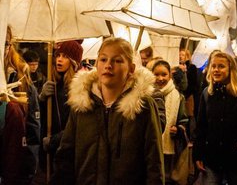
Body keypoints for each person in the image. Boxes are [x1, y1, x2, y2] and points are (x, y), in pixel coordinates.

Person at [50, 37, 164, 184]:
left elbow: (154, 163)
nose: (108, 65)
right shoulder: (83, 103)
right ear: (96, 63)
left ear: (131, 69)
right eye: (103, 59)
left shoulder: (142, 106)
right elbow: (65, 157)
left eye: (117, 61)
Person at [193, 51, 237, 185]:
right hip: (212, 158)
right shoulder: (207, 93)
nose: (216, 70)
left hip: (235, 159)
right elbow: (201, 127)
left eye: (221, 66)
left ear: (231, 69)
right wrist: (198, 153)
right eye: (213, 66)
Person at [4, 26, 41, 184]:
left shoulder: (22, 81)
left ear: (10, 45)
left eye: (4, 43)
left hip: (13, 170)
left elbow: (32, 131)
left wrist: (29, 170)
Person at [39, 40, 83, 170]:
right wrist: (41, 99)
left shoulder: (79, 88)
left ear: (73, 61)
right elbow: (44, 118)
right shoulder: (53, 82)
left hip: (69, 152)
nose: (59, 59)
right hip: (51, 151)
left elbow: (76, 125)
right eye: (58, 55)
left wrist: (54, 141)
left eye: (65, 57)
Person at [152, 59, 188, 184]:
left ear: (170, 75)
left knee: (166, 178)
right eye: (156, 74)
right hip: (151, 146)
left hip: (169, 146)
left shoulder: (178, 96)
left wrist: (178, 129)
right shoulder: (147, 95)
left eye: (164, 74)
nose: (160, 78)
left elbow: (183, 119)